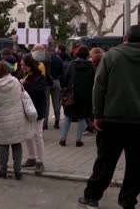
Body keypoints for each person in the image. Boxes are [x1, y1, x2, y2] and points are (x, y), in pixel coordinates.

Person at [78, 25, 140, 209]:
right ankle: (128, 200)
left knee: (105, 161)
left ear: (125, 38)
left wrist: (97, 114)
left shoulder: (112, 56)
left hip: (112, 119)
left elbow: (99, 87)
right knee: (136, 165)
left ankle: (92, 197)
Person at [0, 61, 28, 180]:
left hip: (2, 118)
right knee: (17, 143)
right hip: (17, 117)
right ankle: (18, 171)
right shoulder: (16, 81)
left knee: (3, 145)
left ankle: (3, 170)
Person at [59, 45, 95, 147]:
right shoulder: (91, 66)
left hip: (72, 94)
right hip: (86, 96)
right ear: (87, 54)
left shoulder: (72, 64)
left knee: (68, 116)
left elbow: (65, 79)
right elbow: (94, 80)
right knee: (82, 117)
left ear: (77, 53)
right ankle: (78, 140)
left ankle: (63, 139)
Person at [20, 54, 47, 175]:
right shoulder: (22, 75)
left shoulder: (40, 77)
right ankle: (31, 157)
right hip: (25, 110)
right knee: (27, 135)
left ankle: (40, 161)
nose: (23, 67)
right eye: (21, 65)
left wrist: (25, 84)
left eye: (25, 65)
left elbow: (40, 92)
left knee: (37, 134)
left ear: (31, 65)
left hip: (37, 110)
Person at [45, 47, 64, 130]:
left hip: (47, 82)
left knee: (46, 103)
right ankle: (57, 122)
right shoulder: (59, 59)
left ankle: (45, 123)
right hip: (56, 82)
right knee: (56, 103)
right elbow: (62, 72)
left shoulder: (45, 60)